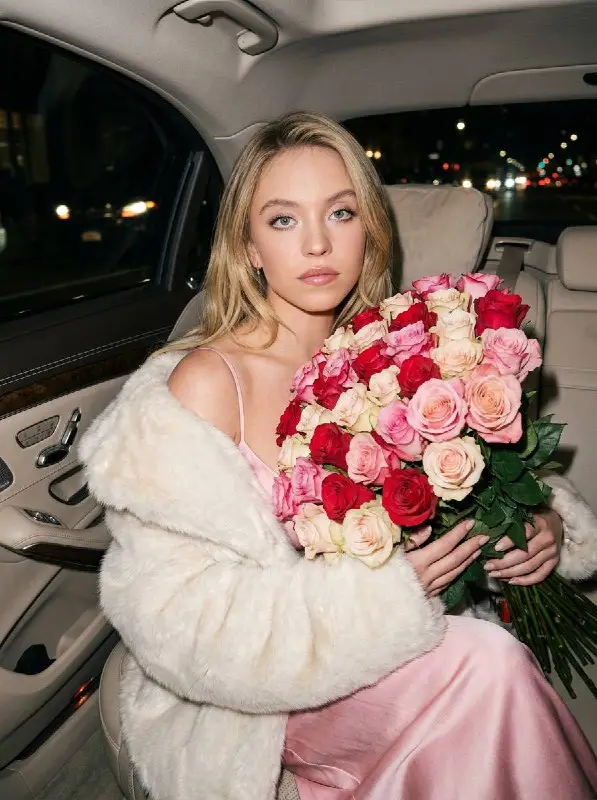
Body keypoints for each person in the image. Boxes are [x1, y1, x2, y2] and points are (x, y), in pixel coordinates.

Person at [80, 111, 597, 800]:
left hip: (423, 643)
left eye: (341, 213)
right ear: (250, 247)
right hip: (259, 698)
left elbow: (470, 493)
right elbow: (178, 621)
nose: (318, 243)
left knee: (479, 661)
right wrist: (381, 603)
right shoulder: (206, 383)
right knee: (488, 665)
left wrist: (539, 528)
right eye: (284, 220)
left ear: (368, 229)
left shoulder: (398, 356)